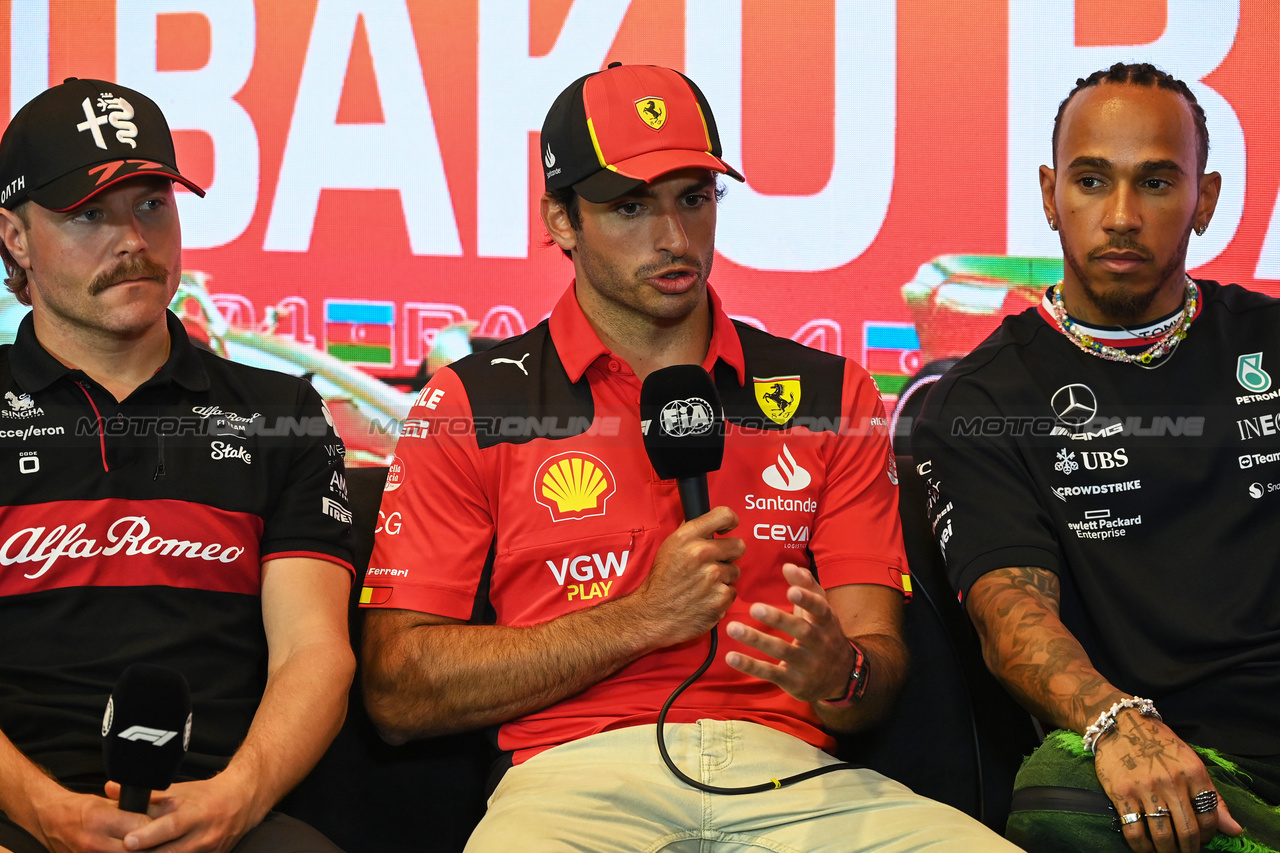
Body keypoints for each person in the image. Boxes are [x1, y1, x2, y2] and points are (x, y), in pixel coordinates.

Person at [360, 62, 1018, 851]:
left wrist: (836, 672)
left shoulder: (830, 393)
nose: (674, 239)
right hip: (571, 780)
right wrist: (641, 618)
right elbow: (397, 692)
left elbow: (873, 671)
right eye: (630, 206)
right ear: (560, 220)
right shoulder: (469, 407)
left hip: (797, 776)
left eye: (694, 199)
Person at [912, 62, 1280, 853]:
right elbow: (1013, 621)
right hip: (1185, 760)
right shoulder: (981, 401)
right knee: (1064, 794)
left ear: (1204, 200)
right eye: (1090, 181)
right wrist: (1116, 723)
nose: (1120, 216)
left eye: (1154, 183)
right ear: (1050, 195)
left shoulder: (1270, 342)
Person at [0, 78, 355, 853]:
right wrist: (39, 809)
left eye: (151, 204)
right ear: (16, 239)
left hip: (221, 808)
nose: (131, 238)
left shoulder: (283, 410)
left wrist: (238, 795)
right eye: (87, 214)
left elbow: (314, 648)